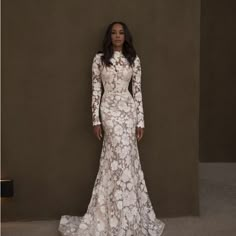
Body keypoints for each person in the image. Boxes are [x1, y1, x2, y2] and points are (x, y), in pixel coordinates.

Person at [58, 21, 165, 236]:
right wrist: (96, 120)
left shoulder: (133, 59)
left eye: (121, 32)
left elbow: (138, 91)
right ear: (109, 36)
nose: (117, 36)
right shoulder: (99, 59)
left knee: (127, 159)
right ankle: (112, 213)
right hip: (108, 110)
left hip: (128, 110)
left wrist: (140, 121)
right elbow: (96, 90)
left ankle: (129, 215)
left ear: (126, 36)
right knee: (115, 157)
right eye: (114, 33)